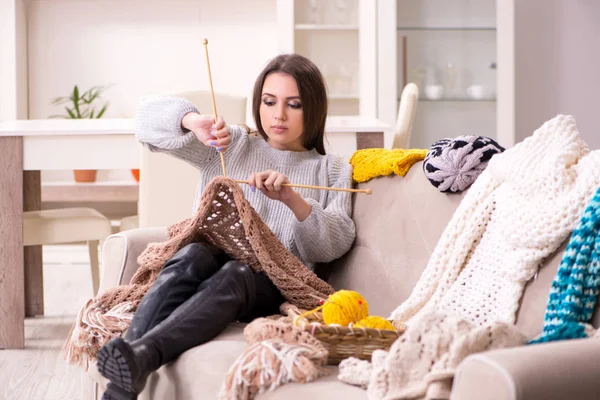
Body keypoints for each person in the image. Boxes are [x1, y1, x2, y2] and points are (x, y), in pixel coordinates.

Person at [96, 53, 356, 400]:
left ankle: (141, 357)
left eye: (293, 104)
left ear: (314, 109)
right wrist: (191, 121)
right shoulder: (231, 144)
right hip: (210, 262)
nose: (278, 115)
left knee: (237, 271)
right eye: (269, 101)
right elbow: (144, 118)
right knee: (193, 253)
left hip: (272, 283)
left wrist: (293, 200)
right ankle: (130, 361)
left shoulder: (332, 169)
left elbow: (332, 246)